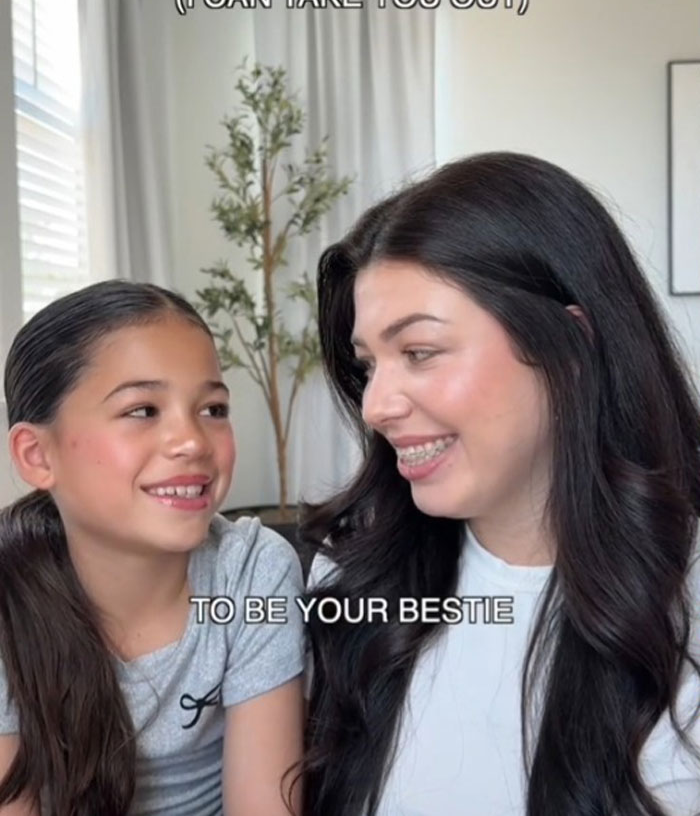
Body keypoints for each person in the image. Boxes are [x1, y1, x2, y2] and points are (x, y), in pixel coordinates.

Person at [300, 152, 700, 816]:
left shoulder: (684, 597)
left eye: (420, 352)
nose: (375, 407)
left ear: (567, 350)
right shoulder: (350, 586)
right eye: (368, 365)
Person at [0, 280, 304, 816]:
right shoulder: (8, 598)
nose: (191, 440)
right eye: (143, 410)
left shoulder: (253, 572)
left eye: (212, 409)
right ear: (36, 455)